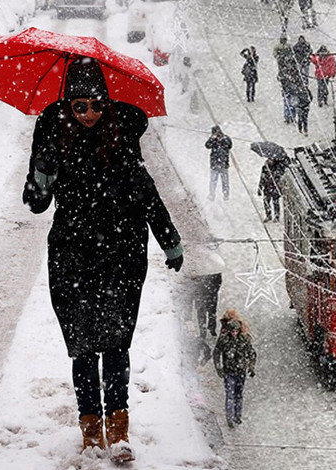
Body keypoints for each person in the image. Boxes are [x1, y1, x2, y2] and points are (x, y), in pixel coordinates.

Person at [22, 57, 184, 463]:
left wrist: (170, 240)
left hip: (122, 255)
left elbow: (147, 194)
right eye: (80, 106)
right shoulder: (51, 139)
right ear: (68, 106)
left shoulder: (123, 138)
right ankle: (90, 429)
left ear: (106, 103)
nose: (90, 113)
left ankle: (119, 429)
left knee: (115, 345)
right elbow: (37, 205)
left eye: (96, 104)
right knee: (82, 347)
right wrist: (40, 178)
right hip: (71, 256)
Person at [212, 310, 257, 428]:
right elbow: (216, 353)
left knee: (238, 394)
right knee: (230, 394)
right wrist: (219, 368)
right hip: (229, 371)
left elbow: (252, 353)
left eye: (236, 331)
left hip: (240, 371)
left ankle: (237, 416)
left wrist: (251, 367)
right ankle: (230, 417)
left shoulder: (244, 339)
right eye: (232, 331)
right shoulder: (224, 340)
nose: (234, 333)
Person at [204, 125, 232, 201]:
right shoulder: (213, 140)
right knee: (213, 180)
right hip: (215, 164)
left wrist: (221, 140)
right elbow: (207, 146)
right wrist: (213, 138)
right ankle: (212, 194)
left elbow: (229, 146)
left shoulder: (226, 139)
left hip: (223, 164)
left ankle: (226, 195)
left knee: (225, 181)